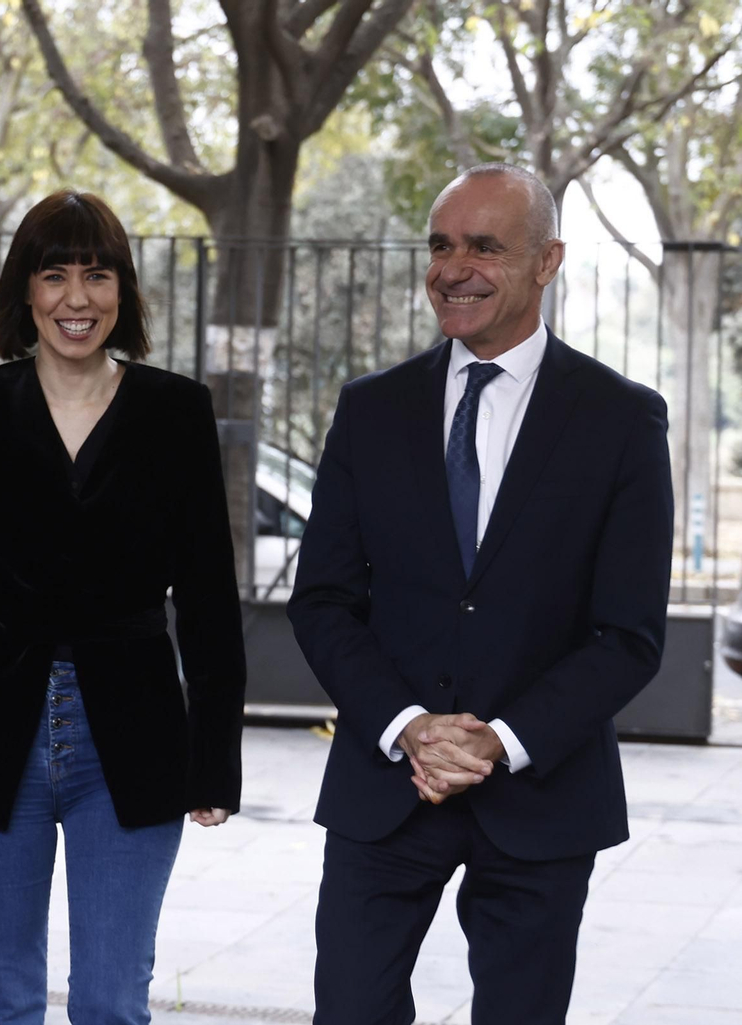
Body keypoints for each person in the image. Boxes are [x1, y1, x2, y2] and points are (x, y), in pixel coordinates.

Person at [287, 163, 674, 1025]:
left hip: (541, 795)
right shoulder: (371, 409)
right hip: (388, 786)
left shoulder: (621, 420)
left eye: (485, 246)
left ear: (548, 262)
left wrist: (499, 741)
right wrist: (409, 727)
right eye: (441, 245)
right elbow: (322, 600)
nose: (452, 268)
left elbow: (630, 633)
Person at [0, 190, 246, 1025]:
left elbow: (212, 600)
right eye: (55, 275)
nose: (78, 298)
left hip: (135, 731)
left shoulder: (175, 410)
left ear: (124, 290)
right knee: (2, 1000)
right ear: (24, 292)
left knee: (112, 1002)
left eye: (98, 274)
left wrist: (215, 755)